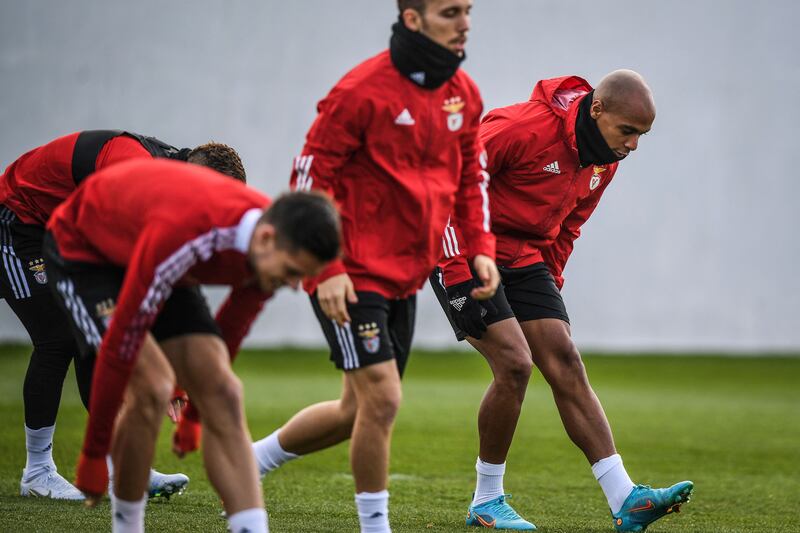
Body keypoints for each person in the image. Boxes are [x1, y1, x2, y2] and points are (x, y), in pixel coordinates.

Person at [250, 1, 499, 531]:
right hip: (350, 275)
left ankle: (250, 460)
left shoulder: (464, 94)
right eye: (450, 12)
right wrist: (326, 267)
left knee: (355, 413)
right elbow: (308, 180)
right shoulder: (359, 92)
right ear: (413, 19)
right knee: (383, 399)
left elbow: (470, 177)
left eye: (468, 11)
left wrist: (479, 245)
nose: (465, 23)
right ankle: (375, 526)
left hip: (405, 277)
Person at [429, 71, 693, 531]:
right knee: (514, 364)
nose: (632, 145)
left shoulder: (604, 162)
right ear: (597, 109)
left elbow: (568, 226)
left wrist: (547, 289)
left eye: (641, 136)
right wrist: (455, 272)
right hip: (465, 249)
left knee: (565, 359)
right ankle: (486, 501)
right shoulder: (523, 128)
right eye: (627, 131)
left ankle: (625, 498)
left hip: (523, 258)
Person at [44, 158, 341, 533]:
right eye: (294, 273)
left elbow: (228, 333)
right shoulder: (188, 233)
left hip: (155, 251)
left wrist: (196, 416)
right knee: (151, 384)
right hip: (85, 253)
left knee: (225, 392)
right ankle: (128, 527)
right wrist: (93, 451)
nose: (295, 285)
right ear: (266, 239)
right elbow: (122, 345)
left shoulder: (268, 248)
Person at [0, 129, 245, 500]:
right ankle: (37, 472)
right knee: (59, 338)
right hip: (18, 223)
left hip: (61, 232)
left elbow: (173, 277)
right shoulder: (135, 171)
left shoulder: (172, 186)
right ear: (198, 178)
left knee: (92, 340)